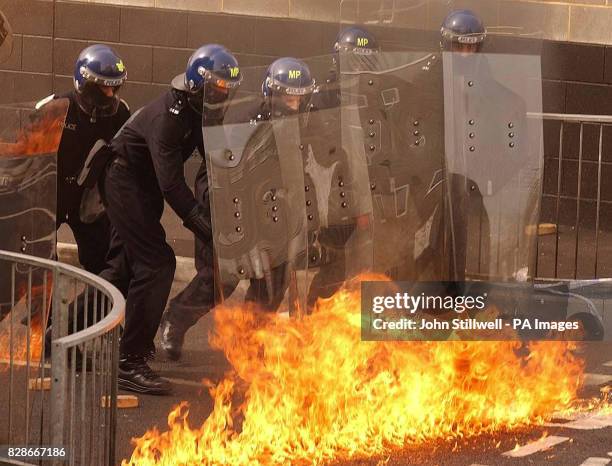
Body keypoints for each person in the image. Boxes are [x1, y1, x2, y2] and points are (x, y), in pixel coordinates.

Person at [99, 44, 242, 394]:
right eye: (216, 89)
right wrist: (206, 231)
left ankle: (67, 328)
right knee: (157, 263)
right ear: (197, 85)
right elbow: (172, 185)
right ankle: (129, 362)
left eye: (227, 91)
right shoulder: (170, 116)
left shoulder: (203, 111)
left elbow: (215, 162)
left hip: (141, 183)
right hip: (124, 178)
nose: (221, 97)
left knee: (121, 268)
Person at [160, 57, 317, 360]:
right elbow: (213, 173)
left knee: (273, 282)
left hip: (274, 211)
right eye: (287, 97)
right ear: (271, 93)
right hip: (233, 206)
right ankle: (175, 320)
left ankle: (249, 339)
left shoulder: (304, 123)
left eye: (300, 98)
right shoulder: (243, 121)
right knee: (221, 281)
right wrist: (219, 215)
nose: (294, 104)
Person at [37, 44, 130, 275]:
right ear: (84, 82)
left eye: (113, 88)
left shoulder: (121, 114)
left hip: (89, 197)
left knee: (102, 262)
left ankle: (93, 310)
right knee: (39, 264)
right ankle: (44, 311)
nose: (109, 95)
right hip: (50, 195)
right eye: (102, 88)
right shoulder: (54, 108)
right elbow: (29, 155)